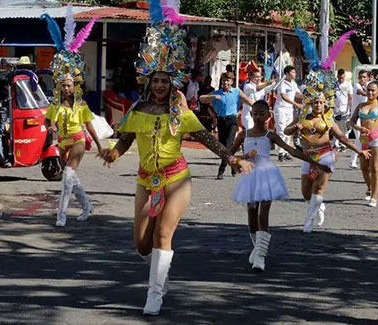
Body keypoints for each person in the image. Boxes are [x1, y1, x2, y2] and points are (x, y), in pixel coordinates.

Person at [98, 4, 253, 315]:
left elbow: (206, 138)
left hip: (177, 178)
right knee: (142, 243)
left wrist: (232, 158)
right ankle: (158, 268)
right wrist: (113, 152)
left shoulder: (180, 113)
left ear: (172, 84)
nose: (159, 86)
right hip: (145, 178)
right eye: (155, 80)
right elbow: (126, 138)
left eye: (165, 81)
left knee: (163, 234)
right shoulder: (137, 110)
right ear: (147, 81)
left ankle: (154, 293)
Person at [285, 28, 369, 232]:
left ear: (326, 104)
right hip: (307, 156)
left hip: (325, 156)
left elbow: (342, 137)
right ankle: (318, 207)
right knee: (306, 192)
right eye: (315, 103)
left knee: (318, 188)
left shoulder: (329, 121)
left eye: (322, 103)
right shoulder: (302, 117)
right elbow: (287, 132)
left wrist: (359, 151)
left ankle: (308, 222)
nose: (318, 106)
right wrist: (293, 127)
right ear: (312, 103)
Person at [229, 100, 330, 271]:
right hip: (250, 177)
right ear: (250, 115)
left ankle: (260, 256)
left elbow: (292, 151)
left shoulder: (271, 136)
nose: (258, 117)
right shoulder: (243, 135)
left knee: (263, 212)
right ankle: (257, 247)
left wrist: (316, 163)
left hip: (267, 175)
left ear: (269, 116)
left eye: (262, 113)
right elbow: (229, 156)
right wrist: (244, 157)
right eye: (255, 113)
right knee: (252, 218)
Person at [41, 10, 102, 227]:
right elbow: (47, 121)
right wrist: (49, 127)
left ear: (74, 86)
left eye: (69, 84)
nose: (66, 88)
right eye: (62, 85)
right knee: (72, 180)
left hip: (77, 141)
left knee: (67, 176)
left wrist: (99, 146)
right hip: (63, 143)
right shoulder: (55, 105)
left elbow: (90, 127)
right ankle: (86, 206)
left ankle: (61, 216)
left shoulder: (81, 105)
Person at [199, 72, 254, 180]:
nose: (226, 83)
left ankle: (221, 170)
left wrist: (260, 109)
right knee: (223, 147)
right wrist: (213, 97)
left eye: (228, 80)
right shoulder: (217, 93)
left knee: (228, 145)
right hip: (221, 121)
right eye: (224, 80)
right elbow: (201, 98)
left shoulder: (237, 92)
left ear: (232, 82)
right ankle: (233, 166)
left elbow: (249, 101)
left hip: (232, 120)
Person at [273, 65, 303, 162]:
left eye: (295, 72)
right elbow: (283, 96)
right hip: (281, 109)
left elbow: (298, 94)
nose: (294, 74)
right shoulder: (282, 84)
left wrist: (310, 96)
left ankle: (285, 152)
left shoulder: (293, 84)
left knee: (288, 131)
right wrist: (296, 104)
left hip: (289, 110)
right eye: (292, 72)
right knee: (281, 131)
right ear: (287, 74)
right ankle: (280, 152)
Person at [349, 70, 370, 168]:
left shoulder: (369, 86)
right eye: (360, 77)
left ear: (368, 78)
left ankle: (366, 158)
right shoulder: (357, 86)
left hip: (366, 116)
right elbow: (362, 93)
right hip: (355, 116)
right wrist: (371, 92)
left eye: (364, 77)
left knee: (366, 138)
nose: (362, 79)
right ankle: (353, 161)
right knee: (358, 138)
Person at [333, 68, 353, 150]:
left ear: (344, 76)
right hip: (335, 109)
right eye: (339, 77)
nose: (341, 79)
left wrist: (351, 109)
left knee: (344, 128)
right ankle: (335, 144)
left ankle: (344, 144)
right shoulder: (334, 84)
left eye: (342, 77)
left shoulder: (348, 85)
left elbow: (350, 97)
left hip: (345, 109)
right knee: (335, 127)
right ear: (337, 76)